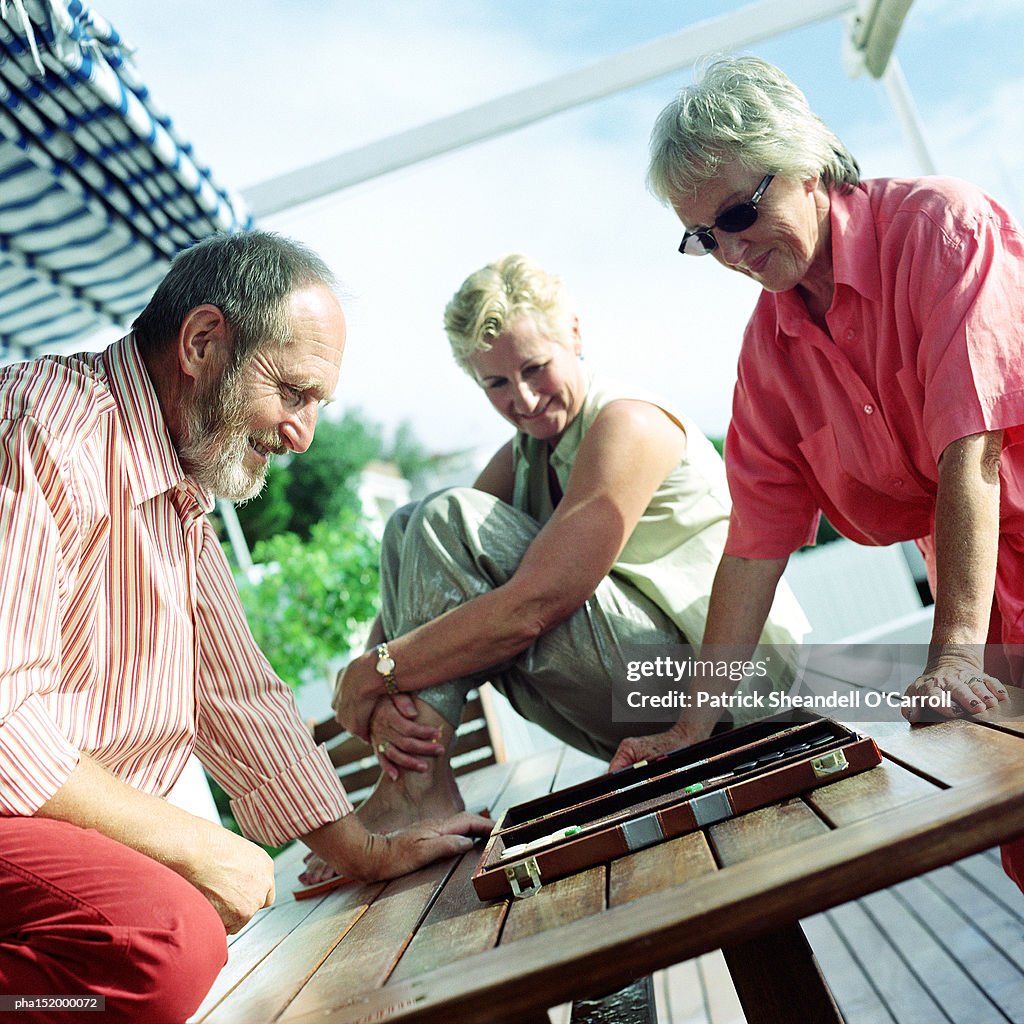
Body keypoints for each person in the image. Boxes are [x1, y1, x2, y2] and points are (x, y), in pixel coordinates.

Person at [0, 231, 489, 1023]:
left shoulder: (175, 474)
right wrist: (197, 842)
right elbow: (3, 717)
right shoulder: (45, 429)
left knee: (180, 929)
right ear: (201, 342)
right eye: (294, 392)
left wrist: (360, 848)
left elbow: (236, 692)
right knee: (161, 943)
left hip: (40, 820)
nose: (303, 434)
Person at [616, 54, 1024, 889]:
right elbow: (753, 548)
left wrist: (953, 656)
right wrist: (692, 725)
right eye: (704, 236)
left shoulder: (942, 229)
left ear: (803, 160)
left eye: (737, 212)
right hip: (996, 613)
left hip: (975, 621)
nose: (729, 249)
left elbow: (971, 451)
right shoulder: (769, 353)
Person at [331, 252, 806, 836]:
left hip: (733, 694)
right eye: (497, 384)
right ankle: (415, 784)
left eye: (535, 368)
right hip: (635, 696)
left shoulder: (628, 423)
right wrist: (376, 686)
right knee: (407, 527)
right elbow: (425, 573)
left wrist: (378, 674)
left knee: (445, 515)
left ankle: (417, 791)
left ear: (574, 334)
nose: (523, 401)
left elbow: (537, 606)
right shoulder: (523, 454)